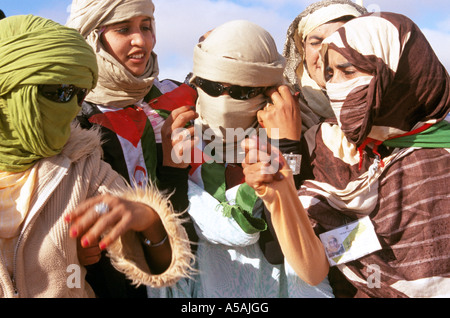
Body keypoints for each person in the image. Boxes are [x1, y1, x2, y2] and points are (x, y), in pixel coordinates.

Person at [242, 12, 450, 298]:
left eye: (349, 71)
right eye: (330, 74)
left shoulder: (441, 153)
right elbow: (307, 264)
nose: (336, 85)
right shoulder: (325, 144)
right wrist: (280, 191)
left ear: (395, 68)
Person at [0, 14, 194, 298]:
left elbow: (167, 265)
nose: (72, 110)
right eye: (62, 92)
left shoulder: (83, 165)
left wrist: (149, 219)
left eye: (81, 95)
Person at [186, 20, 334, 298]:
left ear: (270, 89)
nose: (225, 101)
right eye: (212, 87)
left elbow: (279, 246)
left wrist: (287, 147)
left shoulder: (307, 133)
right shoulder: (177, 132)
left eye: (243, 92)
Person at [66, 0, 198, 297]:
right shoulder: (68, 114)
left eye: (146, 27)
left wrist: (172, 170)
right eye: (124, 29)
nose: (140, 40)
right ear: (91, 37)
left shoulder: (176, 97)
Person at [283, 0, 367, 132]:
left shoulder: (382, 102)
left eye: (340, 40)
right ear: (303, 49)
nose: (326, 53)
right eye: (316, 43)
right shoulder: (285, 103)